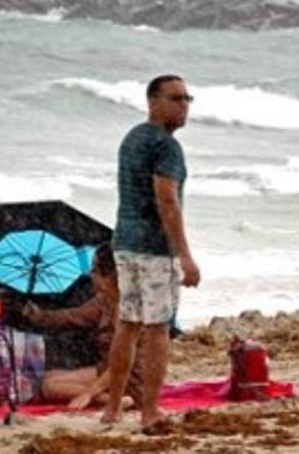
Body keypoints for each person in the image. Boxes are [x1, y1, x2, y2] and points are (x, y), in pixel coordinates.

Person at [102, 74, 201, 430]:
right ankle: (149, 411)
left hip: (125, 243)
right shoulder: (165, 146)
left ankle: (113, 409)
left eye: (187, 98)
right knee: (158, 329)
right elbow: (167, 200)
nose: (184, 105)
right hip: (154, 249)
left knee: (127, 325)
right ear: (152, 102)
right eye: (175, 99)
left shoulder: (132, 138)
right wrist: (185, 255)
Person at [20, 243, 140, 409]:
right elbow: (72, 316)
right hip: (106, 368)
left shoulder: (126, 310)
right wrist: (40, 316)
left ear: (109, 276)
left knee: (50, 386)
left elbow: (123, 363)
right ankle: (108, 396)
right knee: (46, 377)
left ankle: (112, 400)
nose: (90, 275)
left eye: (94, 270)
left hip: (126, 376)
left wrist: (88, 394)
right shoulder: (104, 301)